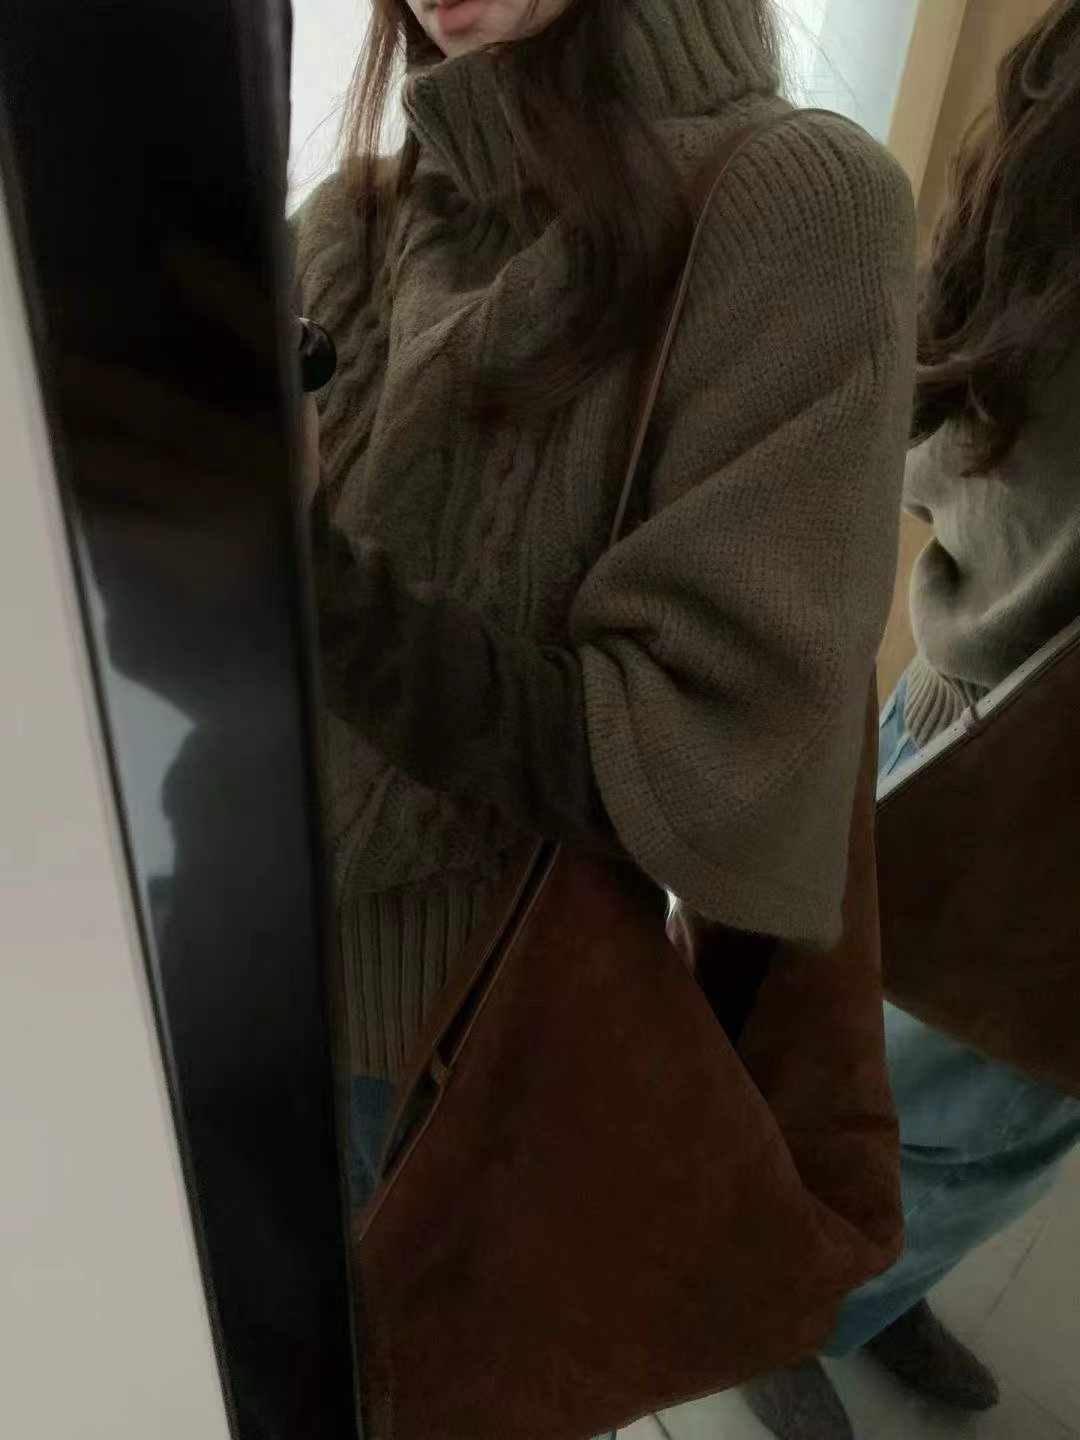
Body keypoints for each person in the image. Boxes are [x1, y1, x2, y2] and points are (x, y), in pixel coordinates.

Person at [295, 0, 915, 1428]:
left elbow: (705, 758)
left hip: (466, 1064)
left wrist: (313, 585)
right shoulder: (358, 214)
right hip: (228, 978)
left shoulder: (798, 207)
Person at [744, 4, 1080, 1436]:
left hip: (997, 741)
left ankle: (859, 1290)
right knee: (925, 1107)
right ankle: (780, 1308)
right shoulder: (1060, 163)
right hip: (1002, 754)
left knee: (991, 1123)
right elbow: (933, 426)